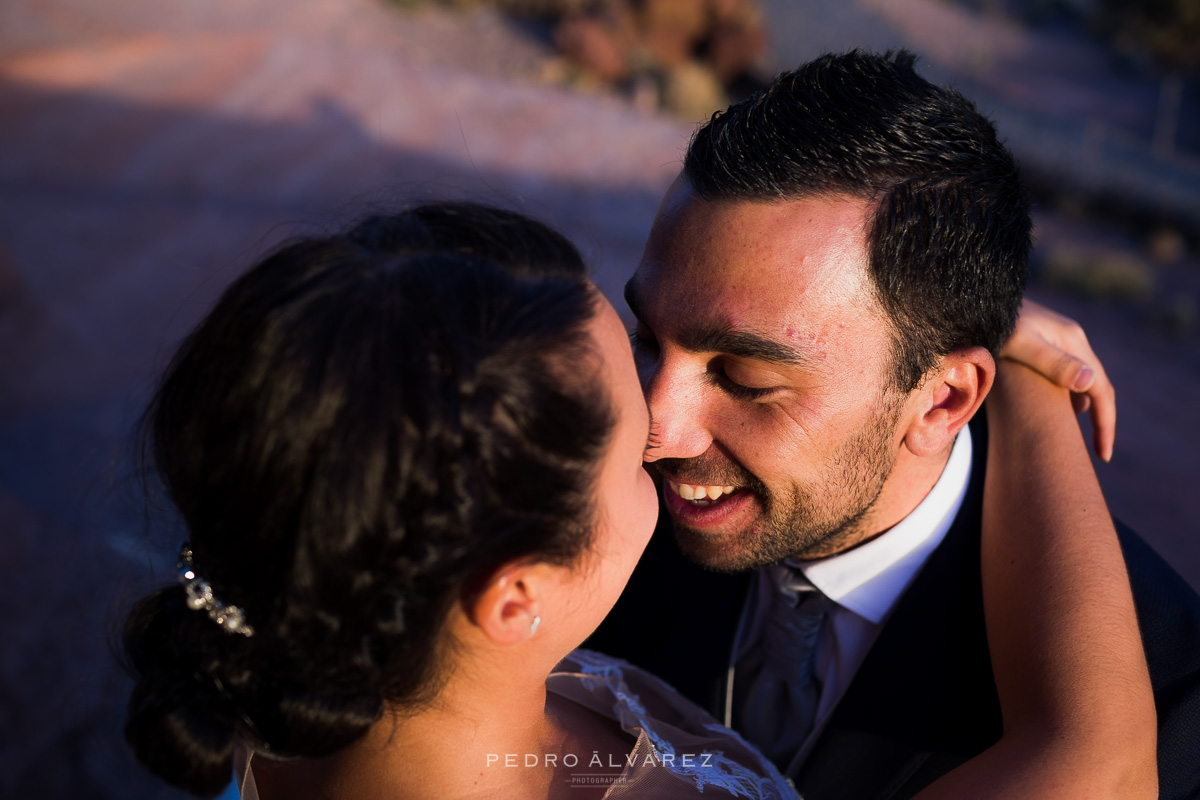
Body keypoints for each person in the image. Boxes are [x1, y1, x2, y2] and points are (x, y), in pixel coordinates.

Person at [122, 200, 1148, 800]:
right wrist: (1026, 382)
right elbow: (1093, 760)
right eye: (628, 431)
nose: (669, 428)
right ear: (514, 595)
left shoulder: (289, 668)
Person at [588, 49, 1200, 800]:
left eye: (746, 379)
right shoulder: (597, 510)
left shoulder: (1169, 708)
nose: (656, 426)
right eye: (648, 338)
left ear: (943, 399)